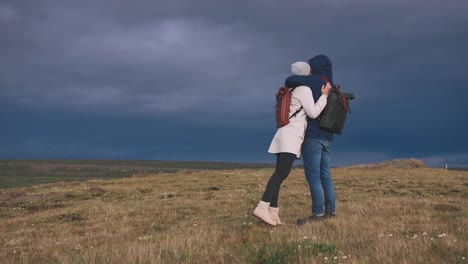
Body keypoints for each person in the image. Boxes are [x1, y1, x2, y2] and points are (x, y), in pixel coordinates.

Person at [252, 61, 331, 226]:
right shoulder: (304, 89)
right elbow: (313, 112)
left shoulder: (292, 89)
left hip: (283, 134)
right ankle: (262, 206)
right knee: (281, 173)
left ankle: (273, 213)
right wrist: (324, 95)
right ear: (306, 73)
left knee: (279, 173)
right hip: (291, 136)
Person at [284, 55, 337, 225]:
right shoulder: (330, 83)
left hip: (313, 136)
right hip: (328, 136)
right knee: (325, 176)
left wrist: (306, 75)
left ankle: (317, 214)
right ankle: (330, 211)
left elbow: (289, 80)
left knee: (313, 177)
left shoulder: (312, 81)